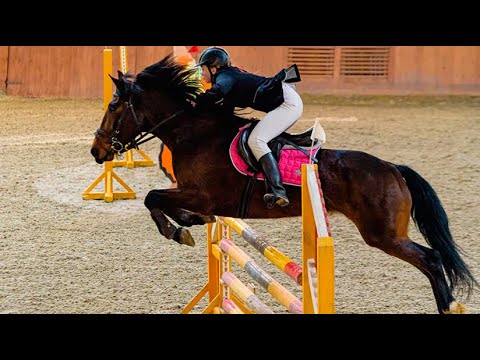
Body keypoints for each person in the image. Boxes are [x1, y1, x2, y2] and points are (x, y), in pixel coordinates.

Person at [190, 46, 303, 208]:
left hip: (288, 104)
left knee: (256, 140)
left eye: (203, 69)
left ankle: (278, 190)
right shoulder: (228, 77)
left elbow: (217, 92)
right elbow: (223, 113)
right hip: (285, 101)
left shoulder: (226, 77)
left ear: (214, 68)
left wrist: (198, 100)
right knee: (255, 137)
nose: (201, 73)